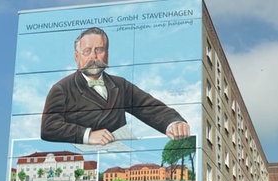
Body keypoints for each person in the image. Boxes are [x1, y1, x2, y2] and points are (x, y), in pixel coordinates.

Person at [41, 27, 190, 145]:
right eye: (87, 51)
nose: (93, 57)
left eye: (99, 50)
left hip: (120, 152)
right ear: (76, 57)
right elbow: (49, 126)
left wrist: (173, 123)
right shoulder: (61, 88)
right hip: (86, 157)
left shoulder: (120, 85)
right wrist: (88, 135)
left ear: (107, 54)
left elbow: (148, 107)